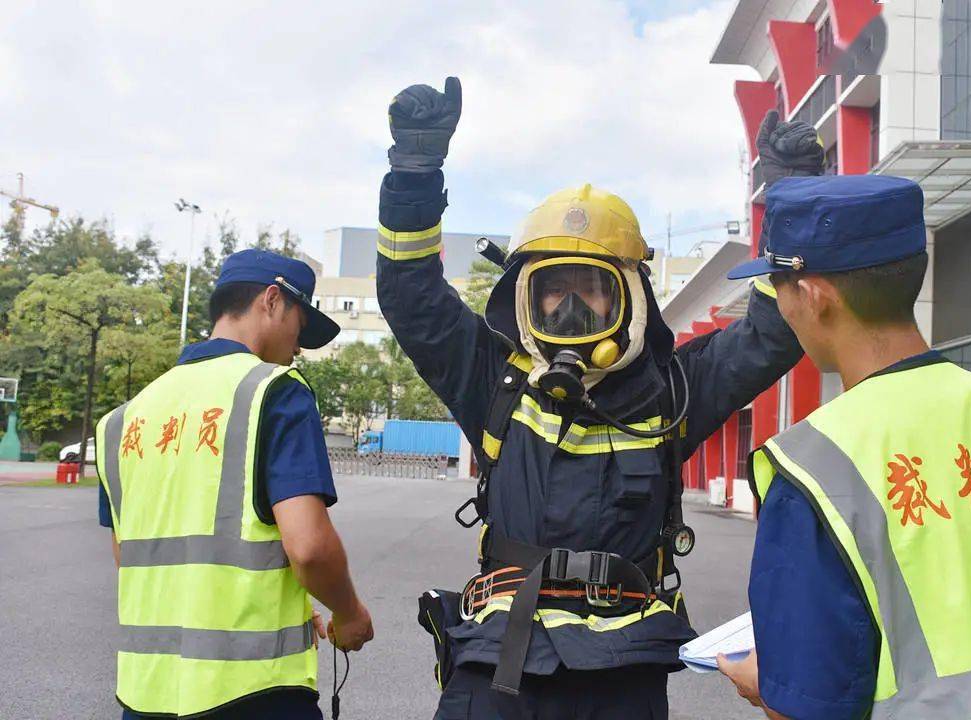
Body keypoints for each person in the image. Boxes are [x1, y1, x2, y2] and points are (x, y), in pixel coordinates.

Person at [376, 79, 814, 719]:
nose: (572, 306)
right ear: (526, 295)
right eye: (555, 288)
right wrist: (414, 174)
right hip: (499, 660)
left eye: (592, 287)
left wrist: (788, 198)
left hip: (622, 668)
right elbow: (414, 298)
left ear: (628, 294)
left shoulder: (676, 390)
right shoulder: (493, 380)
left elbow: (773, 333)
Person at [716, 174, 971, 719]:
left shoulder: (813, 467)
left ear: (814, 297)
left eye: (777, 287)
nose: (779, 306)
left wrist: (760, 686)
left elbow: (806, 706)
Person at [96, 249, 375, 719]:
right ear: (272, 300)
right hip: (253, 693)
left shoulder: (122, 421)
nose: (299, 346)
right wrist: (349, 614)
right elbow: (307, 547)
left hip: (147, 694)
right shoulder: (274, 391)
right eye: (300, 327)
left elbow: (133, 557)